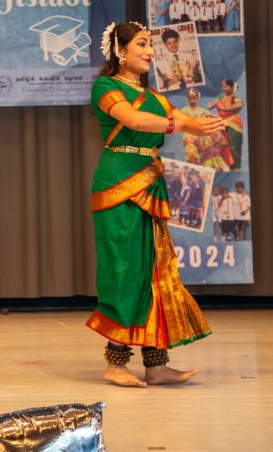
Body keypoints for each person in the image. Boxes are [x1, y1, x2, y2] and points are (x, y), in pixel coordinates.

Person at [88, 21, 222, 387]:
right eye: (142, 44)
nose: (150, 51)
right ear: (120, 51)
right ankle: (116, 363)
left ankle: (156, 364)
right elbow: (133, 120)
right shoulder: (105, 87)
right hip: (119, 184)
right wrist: (182, 127)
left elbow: (177, 116)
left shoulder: (153, 96)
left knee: (156, 271)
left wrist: (203, 123)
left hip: (149, 182)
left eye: (150, 45)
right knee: (124, 269)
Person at [208, 79, 245, 170]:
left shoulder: (235, 98)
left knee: (234, 148)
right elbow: (210, 105)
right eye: (222, 86)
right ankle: (226, 168)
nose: (223, 88)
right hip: (222, 125)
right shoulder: (220, 97)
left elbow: (239, 105)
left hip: (234, 126)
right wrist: (213, 104)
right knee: (222, 147)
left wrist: (224, 108)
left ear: (231, 88)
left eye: (225, 86)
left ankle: (236, 169)